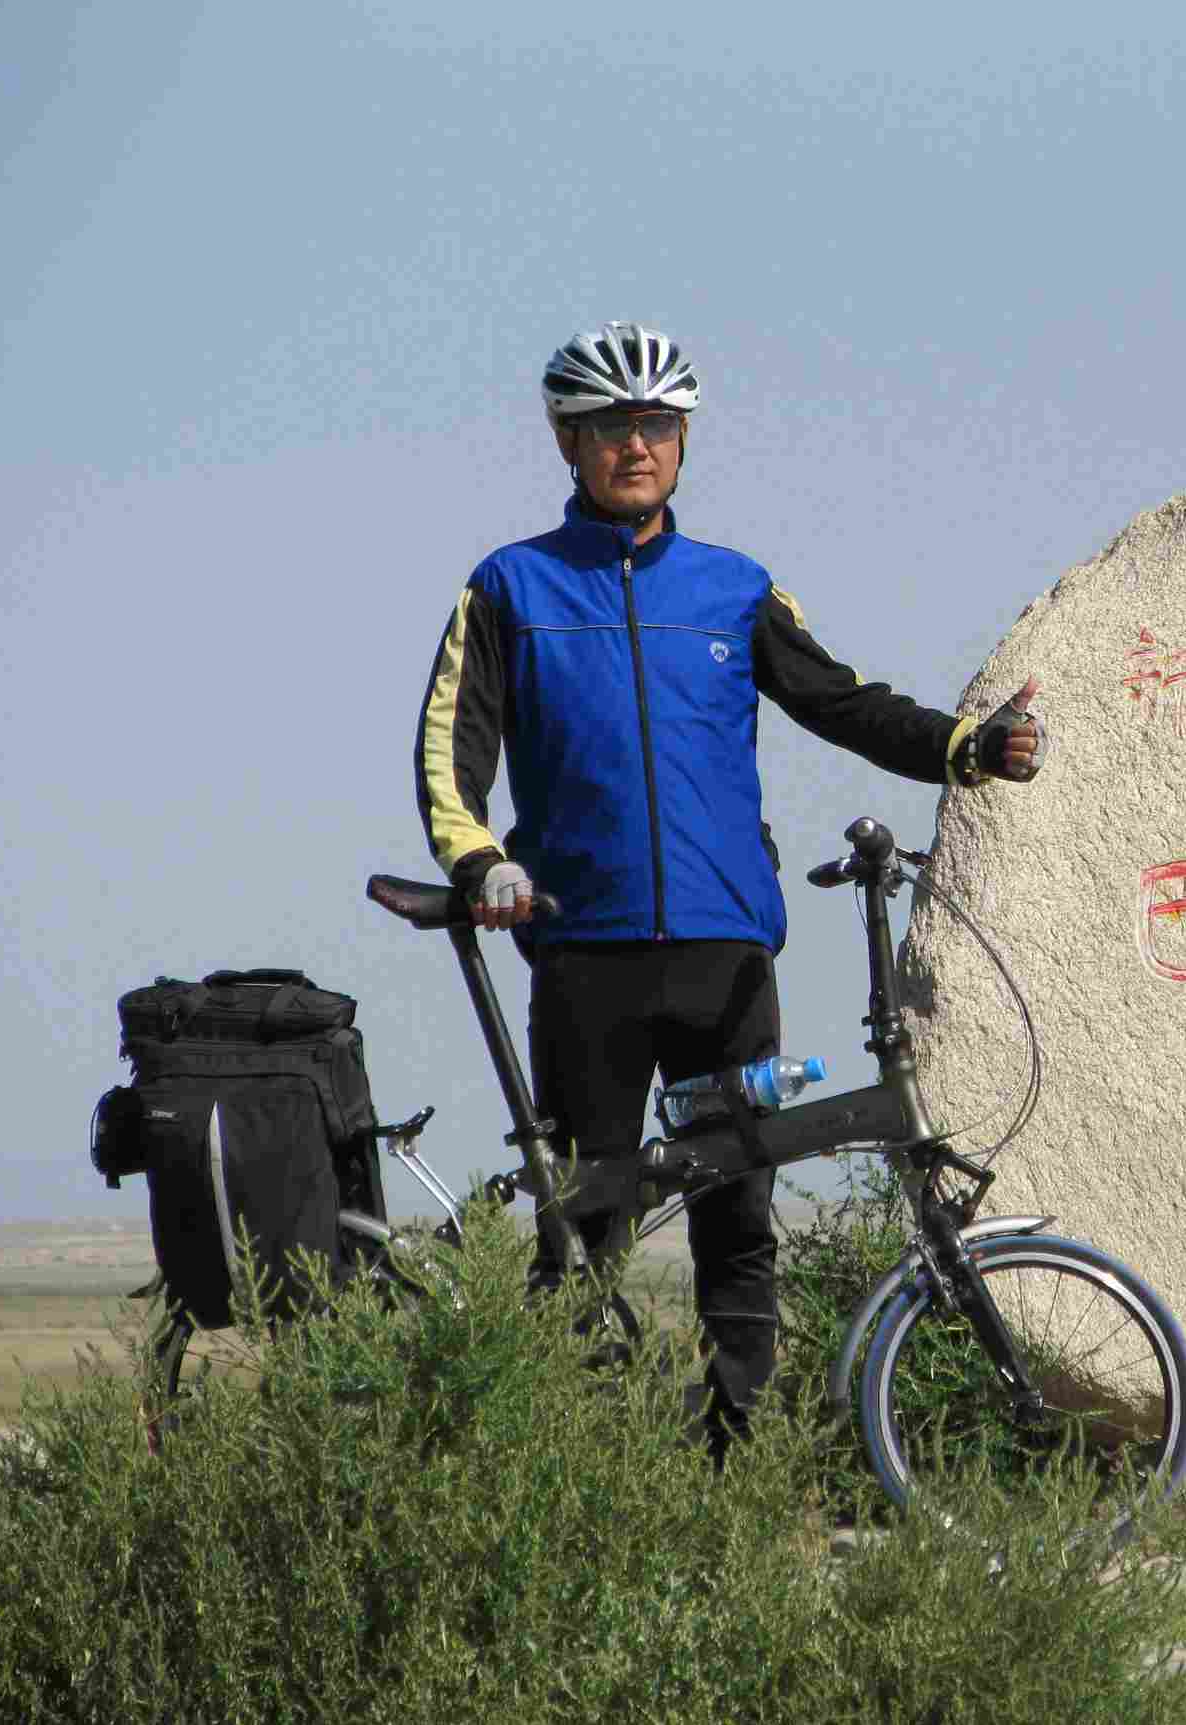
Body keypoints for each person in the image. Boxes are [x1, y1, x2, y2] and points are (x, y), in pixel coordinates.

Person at [413, 321, 1043, 1454]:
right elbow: (449, 756)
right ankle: (581, 1469)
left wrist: (962, 747)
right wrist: (482, 864)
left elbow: (840, 701)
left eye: (655, 423)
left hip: (724, 953)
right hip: (584, 951)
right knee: (588, 1225)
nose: (634, 445)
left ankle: (734, 1463)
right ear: (568, 441)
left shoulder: (732, 588)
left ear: (685, 437)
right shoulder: (509, 586)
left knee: (736, 1212)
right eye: (609, 425)